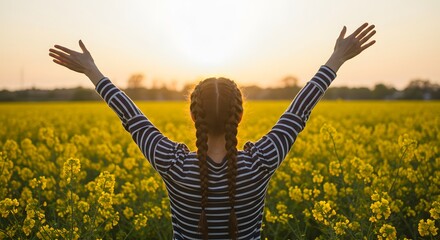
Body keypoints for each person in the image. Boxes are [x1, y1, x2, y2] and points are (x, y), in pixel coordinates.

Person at [49, 23, 376, 240]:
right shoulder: (261, 162)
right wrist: (335, 59)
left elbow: (131, 117)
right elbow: (299, 111)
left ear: (194, 115)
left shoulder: (172, 163)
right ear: (239, 114)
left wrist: (92, 71)